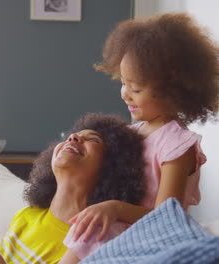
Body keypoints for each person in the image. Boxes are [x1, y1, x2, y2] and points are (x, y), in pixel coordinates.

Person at [69, 12, 218, 244]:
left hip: (152, 240)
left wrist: (115, 208)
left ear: (174, 93)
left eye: (136, 89)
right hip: (123, 233)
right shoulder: (134, 133)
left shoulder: (177, 146)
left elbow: (167, 217)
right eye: (122, 83)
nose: (125, 94)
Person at [0, 113, 145, 264]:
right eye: (71, 136)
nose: (74, 138)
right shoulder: (28, 215)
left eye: (93, 140)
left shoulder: (95, 238)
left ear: (112, 167)